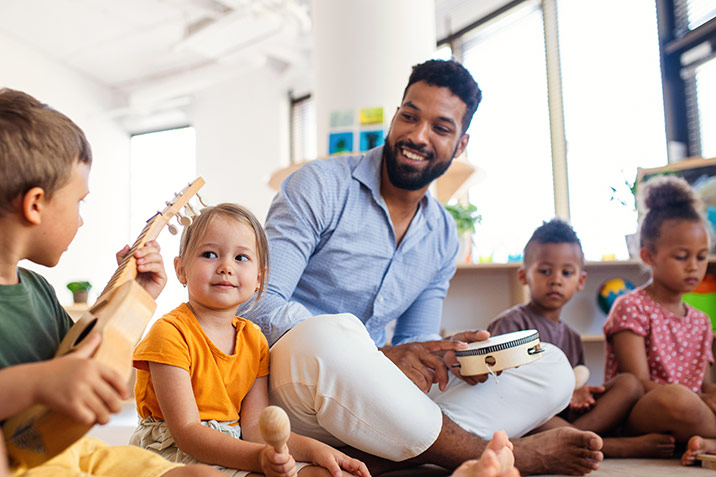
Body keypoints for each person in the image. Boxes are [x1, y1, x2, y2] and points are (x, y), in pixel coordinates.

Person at [237, 59, 603, 476]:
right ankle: (495, 456)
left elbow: (416, 340)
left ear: (460, 144)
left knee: (551, 365)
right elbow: (258, 304)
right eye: (409, 116)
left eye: (440, 128)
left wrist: (452, 357)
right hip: (296, 386)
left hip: (376, 407)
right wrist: (375, 356)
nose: (417, 135)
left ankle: (379, 459)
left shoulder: (444, 234)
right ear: (395, 116)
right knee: (327, 334)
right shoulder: (319, 185)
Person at [0, 88, 221, 476]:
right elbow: (52, 378)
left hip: (68, 452)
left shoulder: (36, 290)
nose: (81, 219)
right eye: (79, 202)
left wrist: (133, 295)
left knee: (199, 474)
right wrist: (36, 383)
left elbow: (84, 352)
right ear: (35, 204)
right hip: (16, 462)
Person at [130, 203, 370, 477]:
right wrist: (260, 459)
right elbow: (187, 433)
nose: (225, 267)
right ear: (181, 269)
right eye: (209, 254)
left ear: (259, 278)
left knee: (326, 474)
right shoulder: (169, 333)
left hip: (235, 449)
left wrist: (318, 450)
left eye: (241, 258)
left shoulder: (254, 341)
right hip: (171, 456)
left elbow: (255, 428)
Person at [488, 218, 676, 458]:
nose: (556, 279)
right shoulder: (512, 324)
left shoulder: (572, 337)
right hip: (528, 414)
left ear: (580, 281)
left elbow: (577, 381)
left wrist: (581, 393)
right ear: (524, 276)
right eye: (545, 271)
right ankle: (608, 446)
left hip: (563, 415)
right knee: (534, 417)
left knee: (629, 385)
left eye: (567, 272)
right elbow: (499, 387)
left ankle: (574, 439)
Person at [602, 175, 716, 466]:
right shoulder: (631, 306)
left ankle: (707, 442)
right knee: (676, 399)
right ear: (648, 256)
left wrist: (709, 397)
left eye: (702, 257)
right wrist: (700, 400)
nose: (694, 266)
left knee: (687, 400)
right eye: (681, 256)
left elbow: (705, 385)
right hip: (643, 411)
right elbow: (637, 384)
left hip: (693, 411)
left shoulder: (702, 322)